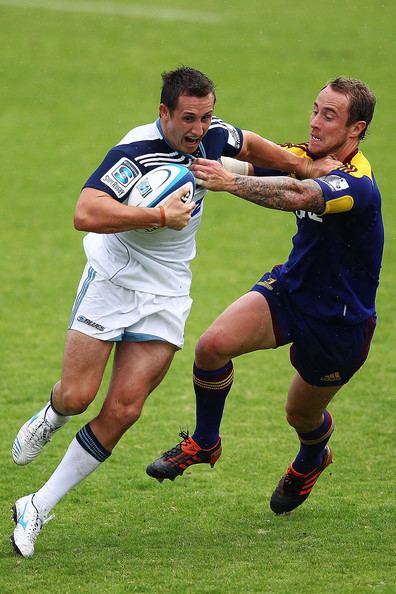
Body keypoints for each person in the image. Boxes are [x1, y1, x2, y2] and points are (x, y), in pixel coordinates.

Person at [10, 66, 339, 558]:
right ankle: (54, 413)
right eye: (188, 118)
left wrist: (302, 168)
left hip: (165, 293)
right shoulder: (133, 152)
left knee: (125, 409)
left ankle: (36, 505)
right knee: (79, 396)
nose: (198, 129)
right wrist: (157, 215)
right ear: (163, 112)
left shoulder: (212, 135)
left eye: (205, 117)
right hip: (112, 281)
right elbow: (86, 212)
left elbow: (246, 143)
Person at [146, 77, 383, 516]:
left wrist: (227, 183)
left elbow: (296, 193)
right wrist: (193, 156)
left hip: (339, 321)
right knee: (212, 346)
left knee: (301, 416)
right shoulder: (306, 158)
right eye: (315, 109)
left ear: (356, 128)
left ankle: (313, 456)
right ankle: (204, 441)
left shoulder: (358, 184)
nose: (314, 122)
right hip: (291, 289)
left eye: (328, 116)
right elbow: (253, 167)